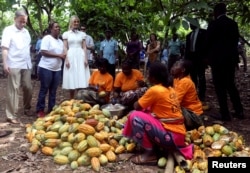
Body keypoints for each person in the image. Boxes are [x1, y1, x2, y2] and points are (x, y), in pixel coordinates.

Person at [122, 62, 193, 165]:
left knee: (135, 116)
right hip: (179, 135)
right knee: (146, 111)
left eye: (148, 75)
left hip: (170, 136)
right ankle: (153, 145)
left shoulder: (155, 90)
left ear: (154, 78)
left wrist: (140, 95)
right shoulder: (170, 89)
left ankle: (149, 154)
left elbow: (137, 106)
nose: (147, 77)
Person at [206, 2, 244, 121]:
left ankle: (225, 114)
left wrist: (207, 57)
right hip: (230, 60)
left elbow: (208, 42)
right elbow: (234, 42)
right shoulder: (233, 24)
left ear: (215, 12)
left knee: (219, 87)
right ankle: (239, 111)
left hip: (217, 61)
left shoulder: (213, 24)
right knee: (230, 85)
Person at [1, 9, 33, 124]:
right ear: (15, 19)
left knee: (28, 87)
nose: (23, 24)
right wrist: (5, 63)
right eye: (21, 21)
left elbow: (28, 46)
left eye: (25, 22)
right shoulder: (8, 31)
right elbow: (5, 48)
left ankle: (27, 108)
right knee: (13, 89)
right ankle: (11, 114)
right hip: (14, 63)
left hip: (26, 63)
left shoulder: (26, 32)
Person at [36, 22, 65, 117]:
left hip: (57, 69)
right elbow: (43, 52)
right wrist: (58, 55)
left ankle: (51, 109)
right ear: (51, 29)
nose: (58, 29)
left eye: (59, 27)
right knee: (44, 89)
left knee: (53, 90)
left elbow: (63, 53)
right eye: (56, 27)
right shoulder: (47, 39)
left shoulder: (60, 42)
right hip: (46, 68)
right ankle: (40, 110)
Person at [62, 15, 90, 99]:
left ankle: (79, 98)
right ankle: (71, 98)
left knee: (80, 75)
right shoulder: (66, 34)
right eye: (75, 21)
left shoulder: (82, 34)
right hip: (71, 55)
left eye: (77, 22)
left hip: (80, 55)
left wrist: (85, 58)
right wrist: (66, 59)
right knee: (72, 75)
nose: (76, 23)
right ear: (71, 22)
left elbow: (84, 46)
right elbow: (65, 47)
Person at [171, 59, 204, 130]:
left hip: (194, 115)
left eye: (176, 65)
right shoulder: (177, 79)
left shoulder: (185, 82)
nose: (173, 67)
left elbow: (175, 102)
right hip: (186, 110)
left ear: (182, 70)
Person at [184, 19, 208, 108]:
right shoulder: (189, 35)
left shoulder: (204, 33)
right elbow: (187, 49)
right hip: (191, 60)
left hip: (200, 59)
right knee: (193, 78)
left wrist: (206, 58)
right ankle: (193, 94)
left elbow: (206, 46)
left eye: (192, 23)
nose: (190, 25)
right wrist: (186, 61)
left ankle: (202, 95)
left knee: (201, 77)